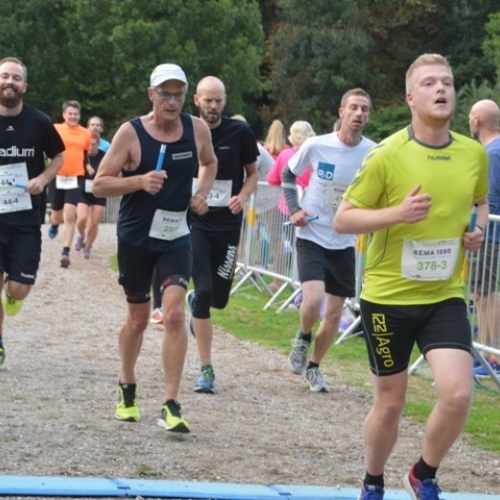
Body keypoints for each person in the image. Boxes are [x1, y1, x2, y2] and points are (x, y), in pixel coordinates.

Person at [334, 54, 488, 500]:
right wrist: (397, 214)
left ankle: (423, 473)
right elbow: (343, 219)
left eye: (448, 82)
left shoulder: (473, 153)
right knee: (390, 404)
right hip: (388, 298)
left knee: (458, 395)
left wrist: (476, 230)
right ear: (410, 98)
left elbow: (479, 202)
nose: (441, 89)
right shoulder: (387, 155)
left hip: (444, 295)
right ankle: (373, 481)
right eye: (429, 83)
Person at [92, 63, 217, 432]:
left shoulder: (197, 129)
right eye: (165, 94)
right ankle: (127, 386)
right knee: (138, 320)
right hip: (136, 238)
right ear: (152, 95)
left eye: (179, 94)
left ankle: (171, 403)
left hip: (176, 234)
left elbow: (209, 162)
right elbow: (100, 184)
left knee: (175, 314)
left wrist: (202, 193)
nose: (172, 101)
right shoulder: (130, 133)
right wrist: (138, 181)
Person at [282, 89, 376, 393]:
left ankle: (314, 367)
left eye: (364, 109)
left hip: (344, 242)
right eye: (354, 108)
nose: (359, 114)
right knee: (313, 300)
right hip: (312, 234)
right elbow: (287, 174)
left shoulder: (374, 152)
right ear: (341, 112)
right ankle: (303, 336)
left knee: (334, 314)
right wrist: (295, 209)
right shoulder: (317, 145)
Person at [187, 76, 259, 394]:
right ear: (196, 101)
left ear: (225, 100)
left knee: (220, 299)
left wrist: (242, 196)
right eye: (208, 100)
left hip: (228, 225)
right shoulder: (185, 130)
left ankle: (198, 305)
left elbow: (253, 173)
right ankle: (206, 368)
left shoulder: (240, 132)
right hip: (196, 224)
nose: (213, 106)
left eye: (218, 100)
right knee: (203, 292)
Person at [0, 57, 65, 368]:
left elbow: (59, 156)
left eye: (16, 78)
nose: (9, 82)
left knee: (19, 287)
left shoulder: (39, 122)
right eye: (4, 76)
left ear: (24, 86)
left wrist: (42, 178)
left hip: (26, 219)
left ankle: (12, 295)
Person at [469, 99, 500, 377]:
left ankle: (492, 356)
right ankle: (487, 353)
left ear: (477, 120)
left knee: (485, 294)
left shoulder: (491, 153)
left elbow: (488, 199)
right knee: (483, 293)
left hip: (490, 234)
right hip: (491, 234)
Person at [266, 121, 315, 289]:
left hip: (286, 208)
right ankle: (304, 283)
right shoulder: (315, 156)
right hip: (310, 210)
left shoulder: (285, 155)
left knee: (282, 244)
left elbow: (272, 180)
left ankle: (280, 280)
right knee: (306, 247)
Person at [48, 100, 91, 268]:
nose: (72, 117)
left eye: (75, 114)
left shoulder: (85, 133)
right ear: (64, 115)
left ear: (79, 116)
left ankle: (65, 252)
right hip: (57, 175)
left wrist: (87, 166)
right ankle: (54, 224)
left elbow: (85, 154)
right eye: (70, 114)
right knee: (57, 214)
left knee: (70, 213)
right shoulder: (55, 129)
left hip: (76, 176)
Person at [74, 133, 106, 259]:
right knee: (81, 218)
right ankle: (81, 235)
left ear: (98, 144)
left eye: (93, 144)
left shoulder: (104, 156)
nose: (91, 147)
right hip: (83, 192)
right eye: (88, 145)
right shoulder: (82, 155)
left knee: (94, 223)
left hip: (99, 192)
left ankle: (87, 247)